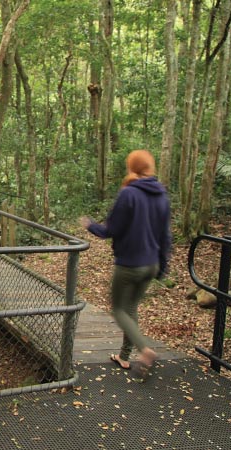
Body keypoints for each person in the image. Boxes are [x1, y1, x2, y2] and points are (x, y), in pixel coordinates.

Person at [79, 149, 171, 376]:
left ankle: (145, 349)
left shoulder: (129, 194)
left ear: (132, 168)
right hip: (151, 265)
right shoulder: (162, 196)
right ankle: (124, 356)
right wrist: (163, 266)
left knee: (119, 309)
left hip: (130, 264)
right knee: (131, 308)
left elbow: (112, 229)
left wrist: (90, 225)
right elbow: (165, 236)